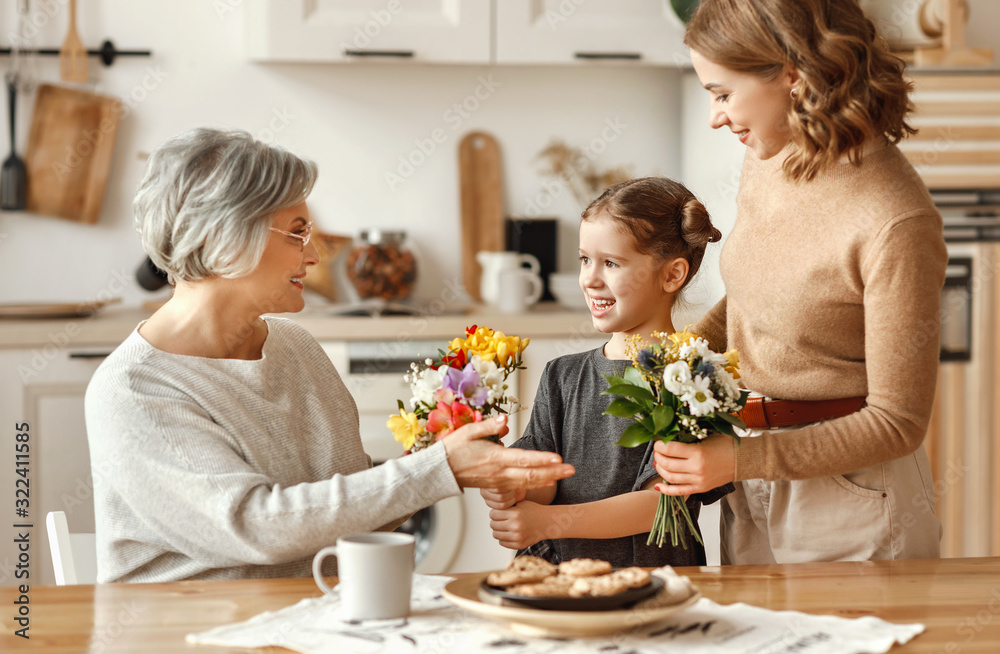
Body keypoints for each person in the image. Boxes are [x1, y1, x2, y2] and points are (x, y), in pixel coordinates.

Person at [84, 127, 575, 583]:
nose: (316, 255)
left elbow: (346, 501)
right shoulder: (134, 390)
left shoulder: (294, 346)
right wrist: (440, 468)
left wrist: (452, 459)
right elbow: (258, 526)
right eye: (297, 232)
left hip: (310, 622)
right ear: (222, 240)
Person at [651, 0, 945, 564]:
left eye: (721, 94)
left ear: (792, 75)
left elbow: (898, 422)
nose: (716, 116)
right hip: (751, 471)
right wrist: (675, 360)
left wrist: (740, 462)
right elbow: (759, 292)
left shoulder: (895, 221)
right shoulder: (772, 153)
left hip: (853, 497)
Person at [482, 177, 730, 568]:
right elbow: (546, 484)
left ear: (672, 275)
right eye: (585, 259)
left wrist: (546, 523)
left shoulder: (695, 381)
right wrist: (509, 481)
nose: (590, 279)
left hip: (651, 584)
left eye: (611, 263)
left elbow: (660, 506)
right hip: (557, 582)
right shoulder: (561, 375)